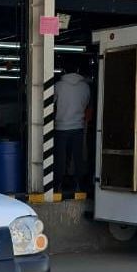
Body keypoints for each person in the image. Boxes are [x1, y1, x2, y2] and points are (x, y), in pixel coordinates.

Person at [53, 60, 91, 195]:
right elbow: (86, 104)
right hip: (78, 127)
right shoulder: (85, 87)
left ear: (63, 70)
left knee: (60, 159)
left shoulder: (58, 86)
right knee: (78, 158)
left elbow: (51, 103)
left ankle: (57, 186)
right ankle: (78, 186)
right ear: (78, 70)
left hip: (61, 128)